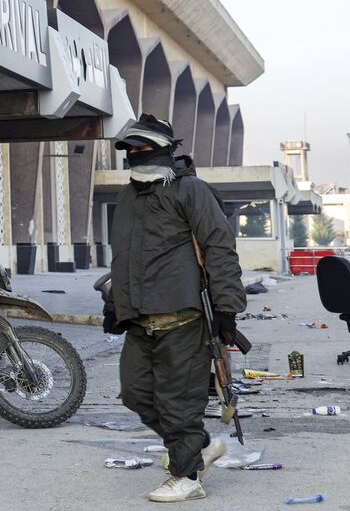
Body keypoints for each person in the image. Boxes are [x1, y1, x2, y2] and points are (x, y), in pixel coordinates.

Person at [101, 114, 246, 503]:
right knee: (135, 395)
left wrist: (227, 309)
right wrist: (115, 306)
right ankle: (197, 445)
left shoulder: (191, 191)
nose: (135, 155)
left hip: (184, 319)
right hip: (139, 322)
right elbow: (124, 259)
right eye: (129, 150)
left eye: (143, 148)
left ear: (165, 150)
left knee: (179, 403)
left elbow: (219, 249)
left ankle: (187, 477)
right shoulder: (127, 197)